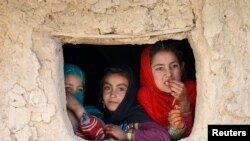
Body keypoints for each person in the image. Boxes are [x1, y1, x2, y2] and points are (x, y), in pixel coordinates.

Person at [137, 40, 197, 140]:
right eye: (160, 68)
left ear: (181, 69)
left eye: (174, 66)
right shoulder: (145, 96)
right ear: (148, 72)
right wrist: (174, 129)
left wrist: (185, 104)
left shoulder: (193, 89)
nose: (169, 73)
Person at [99, 64, 171, 141]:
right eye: (107, 88)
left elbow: (163, 137)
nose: (112, 94)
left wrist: (125, 135)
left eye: (121, 89)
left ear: (130, 94)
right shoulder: (99, 121)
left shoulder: (139, 117)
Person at [64, 63, 104, 140]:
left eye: (80, 89)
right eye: (68, 88)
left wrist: (77, 108)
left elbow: (102, 136)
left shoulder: (92, 114)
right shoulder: (49, 114)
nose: (74, 94)